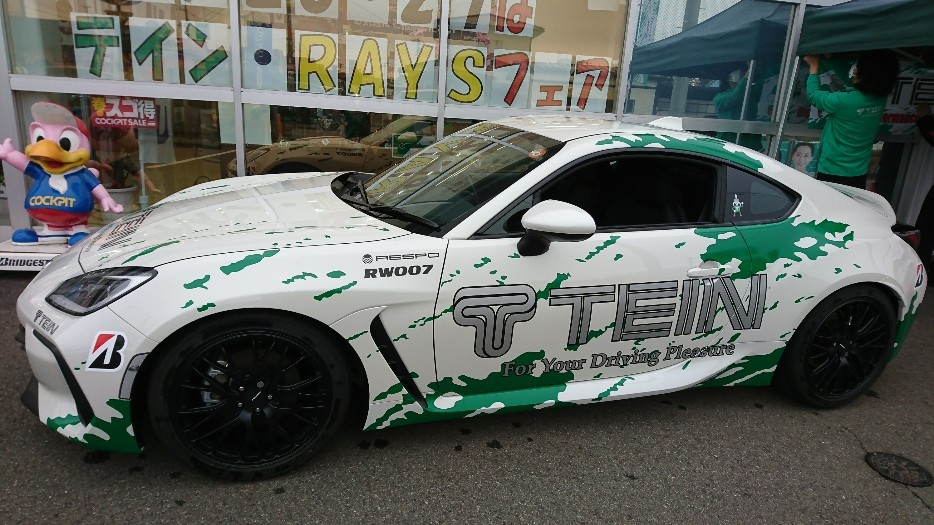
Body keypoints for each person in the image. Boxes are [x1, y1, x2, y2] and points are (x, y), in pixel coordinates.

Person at [803, 51, 899, 189]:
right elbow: (854, 82)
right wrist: (832, 58)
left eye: (858, 67)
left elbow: (814, 95)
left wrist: (814, 66)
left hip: (832, 170)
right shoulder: (880, 98)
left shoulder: (843, 101)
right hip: (859, 173)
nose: (854, 69)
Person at [713, 68, 763, 151]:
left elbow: (762, 84)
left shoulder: (751, 95)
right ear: (729, 81)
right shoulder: (719, 98)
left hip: (752, 146)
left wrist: (759, 69)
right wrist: (747, 77)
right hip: (728, 147)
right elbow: (736, 97)